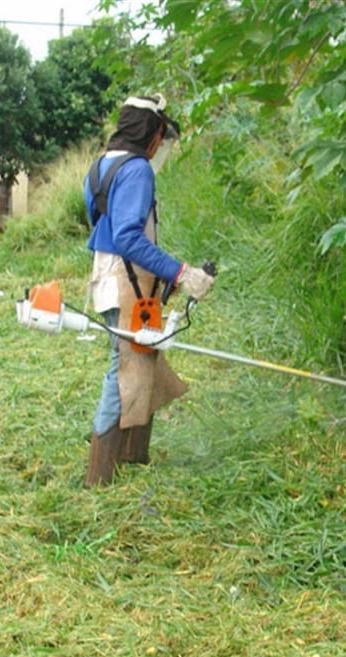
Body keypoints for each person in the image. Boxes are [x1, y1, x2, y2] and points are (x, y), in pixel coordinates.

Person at [83, 94, 214, 486]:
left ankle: (133, 455)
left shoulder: (101, 165)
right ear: (151, 134)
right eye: (160, 134)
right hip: (126, 280)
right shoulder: (137, 169)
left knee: (144, 360)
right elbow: (127, 237)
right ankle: (99, 472)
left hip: (109, 275)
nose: (160, 144)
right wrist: (179, 273)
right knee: (123, 368)